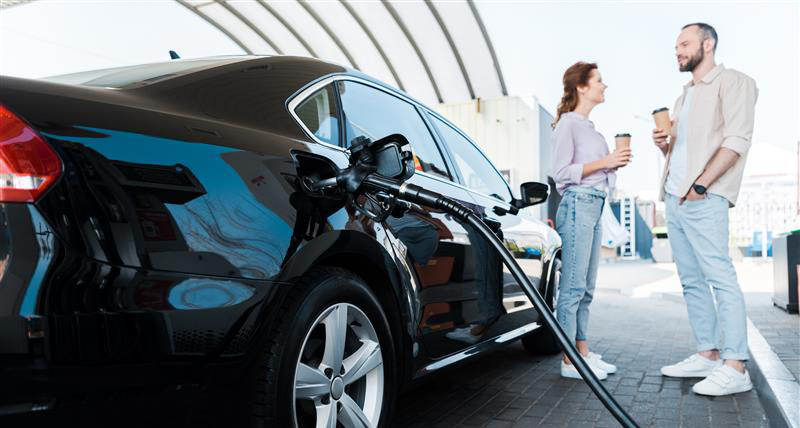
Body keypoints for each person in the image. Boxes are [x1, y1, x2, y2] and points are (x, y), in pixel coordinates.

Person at [653, 23, 758, 396]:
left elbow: (737, 140)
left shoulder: (734, 81)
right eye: (676, 45)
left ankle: (735, 365)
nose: (678, 50)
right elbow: (683, 151)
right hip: (675, 198)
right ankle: (708, 354)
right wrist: (665, 146)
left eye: (684, 43)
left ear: (707, 44)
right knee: (692, 281)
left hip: (703, 197)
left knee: (720, 277)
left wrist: (701, 186)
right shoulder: (684, 97)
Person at [551, 62, 632, 380]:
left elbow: (597, 171)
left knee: (586, 289)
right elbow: (561, 174)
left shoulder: (592, 129)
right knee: (572, 288)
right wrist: (606, 161)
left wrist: (613, 164)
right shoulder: (567, 124)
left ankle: (581, 350)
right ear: (581, 86)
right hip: (577, 205)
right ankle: (569, 360)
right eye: (599, 80)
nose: (604, 85)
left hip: (594, 206)